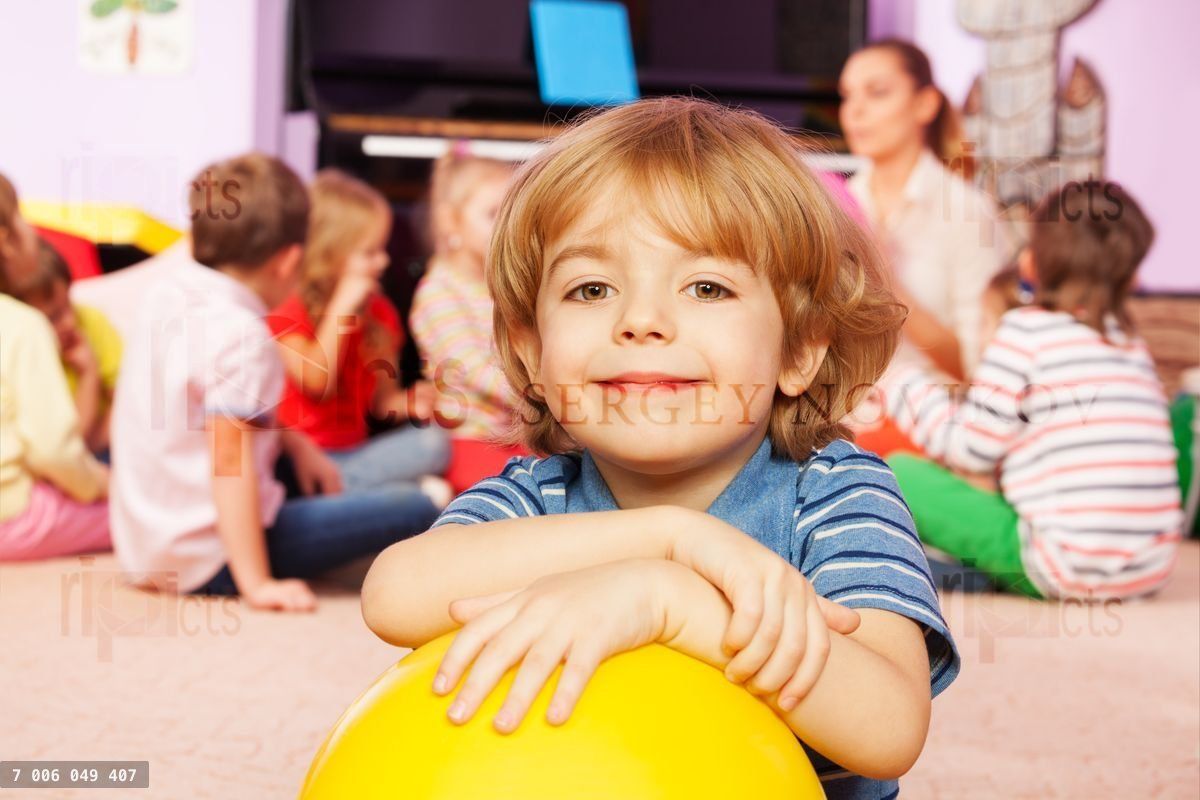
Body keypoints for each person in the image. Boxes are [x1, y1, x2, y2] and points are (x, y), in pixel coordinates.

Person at [362, 99, 959, 799]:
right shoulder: (538, 493)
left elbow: (889, 731)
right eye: (592, 288)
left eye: (706, 286)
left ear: (799, 350)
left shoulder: (834, 492)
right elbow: (393, 594)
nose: (641, 321)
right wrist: (669, 538)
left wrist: (671, 600)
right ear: (532, 350)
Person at [109, 154, 445, 611]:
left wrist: (296, 444)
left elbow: (199, 417)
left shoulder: (165, 294)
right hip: (207, 558)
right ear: (289, 261)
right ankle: (256, 559)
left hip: (142, 547)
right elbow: (231, 465)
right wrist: (257, 583)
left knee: (317, 472)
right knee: (415, 506)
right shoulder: (243, 336)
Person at [882, 182, 1183, 599]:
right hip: (1150, 569)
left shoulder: (1025, 330)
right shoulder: (1131, 345)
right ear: (1131, 276)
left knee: (897, 473)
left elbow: (968, 447)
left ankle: (970, 573)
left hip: (1063, 565)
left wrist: (902, 381)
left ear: (1029, 265)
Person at [270, 169, 450, 496]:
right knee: (415, 499)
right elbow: (316, 382)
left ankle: (342, 488)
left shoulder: (379, 312)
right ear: (330, 251)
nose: (382, 261)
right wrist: (342, 307)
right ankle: (357, 490)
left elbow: (382, 403)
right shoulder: (287, 305)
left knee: (434, 441)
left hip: (353, 455)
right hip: (297, 456)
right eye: (369, 252)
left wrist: (413, 402)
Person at [840, 38, 1012, 380]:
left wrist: (887, 285)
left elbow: (982, 368)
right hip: (846, 419)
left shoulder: (966, 212)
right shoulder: (836, 205)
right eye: (847, 96)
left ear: (925, 103)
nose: (854, 111)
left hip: (934, 422)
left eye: (877, 92)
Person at [0, 172, 110, 559]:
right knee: (136, 515)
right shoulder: (20, 325)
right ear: (5, 240)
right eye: (21, 219)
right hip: (11, 513)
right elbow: (53, 451)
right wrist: (100, 485)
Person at [409, 145, 526, 493]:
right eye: (492, 214)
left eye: (511, 213)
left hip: (514, 437)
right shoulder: (439, 291)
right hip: (471, 440)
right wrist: (543, 399)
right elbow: (471, 368)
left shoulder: (496, 287)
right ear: (450, 222)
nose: (506, 226)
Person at [8, 238, 122, 454]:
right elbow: (65, 445)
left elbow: (128, 402)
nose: (69, 321)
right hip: (60, 459)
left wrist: (92, 446)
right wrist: (89, 375)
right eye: (53, 317)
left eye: (68, 303)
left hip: (105, 443)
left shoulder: (90, 321)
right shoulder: (22, 356)